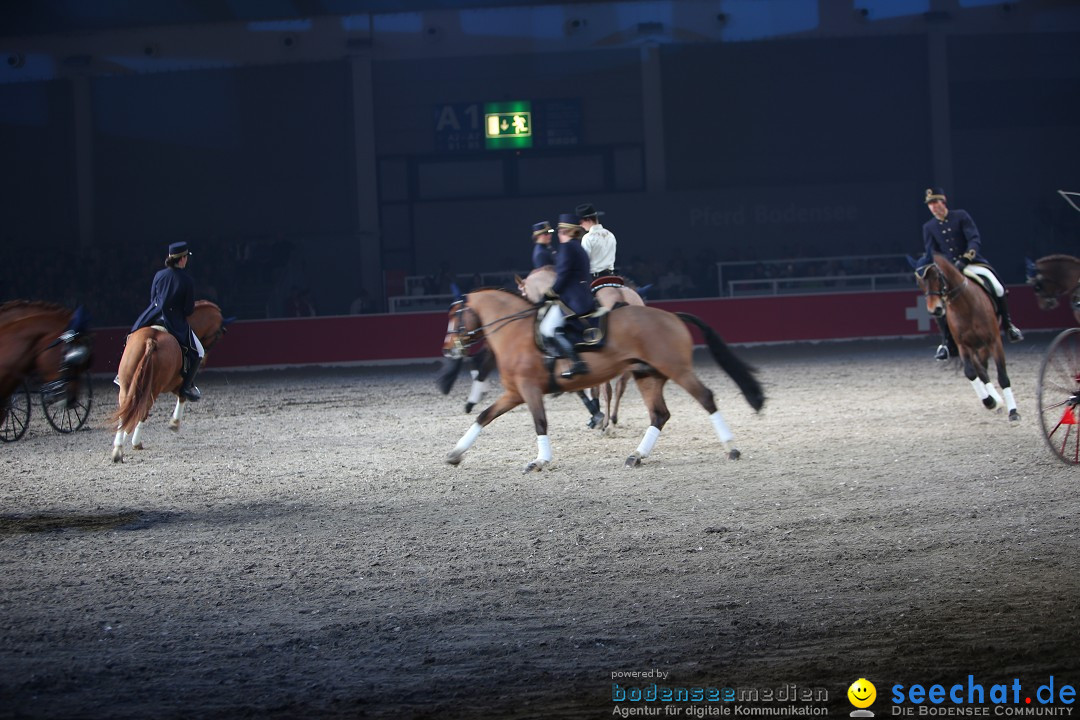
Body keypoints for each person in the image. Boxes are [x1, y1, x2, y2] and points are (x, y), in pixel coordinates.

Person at [922, 187, 1023, 360]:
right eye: (930, 204)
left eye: (935, 202)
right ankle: (946, 343)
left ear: (943, 201)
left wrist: (966, 258)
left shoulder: (960, 216)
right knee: (940, 302)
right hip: (950, 272)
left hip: (971, 263)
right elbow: (932, 252)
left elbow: (974, 239)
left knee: (997, 287)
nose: (933, 206)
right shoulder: (929, 227)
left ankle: (1008, 325)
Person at [131, 241, 205, 401]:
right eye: (186, 257)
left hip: (153, 316)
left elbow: (152, 299)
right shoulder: (187, 280)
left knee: (131, 337)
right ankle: (187, 387)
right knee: (199, 352)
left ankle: (120, 374)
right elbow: (188, 310)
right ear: (182, 259)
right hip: (174, 322)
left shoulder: (158, 275)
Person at [539, 214, 593, 378]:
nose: (557, 234)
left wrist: (550, 293)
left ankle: (577, 362)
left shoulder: (567, 248)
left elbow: (562, 276)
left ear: (564, 231)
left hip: (573, 299)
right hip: (583, 294)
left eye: (559, 230)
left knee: (547, 328)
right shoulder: (579, 247)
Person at [576, 202, 617, 278]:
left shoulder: (587, 238)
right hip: (611, 276)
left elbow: (585, 262)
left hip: (595, 277)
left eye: (581, 222)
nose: (580, 225)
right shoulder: (610, 234)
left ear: (588, 220)